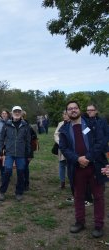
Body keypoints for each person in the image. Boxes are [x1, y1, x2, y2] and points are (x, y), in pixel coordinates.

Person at [59, 101, 107, 238]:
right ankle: (80, 222)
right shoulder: (64, 129)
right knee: (78, 196)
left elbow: (101, 141)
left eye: (75, 108)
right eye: (70, 109)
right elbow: (63, 148)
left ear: (79, 110)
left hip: (95, 166)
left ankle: (98, 225)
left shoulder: (92, 124)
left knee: (98, 196)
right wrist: (77, 159)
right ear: (67, 112)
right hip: (76, 167)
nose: (73, 110)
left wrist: (88, 157)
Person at [0, 106, 31, 201]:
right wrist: (0, 150)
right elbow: (2, 139)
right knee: (7, 172)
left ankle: (19, 192)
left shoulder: (25, 125)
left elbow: (28, 141)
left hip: (21, 154)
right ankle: (2, 192)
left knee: (21, 173)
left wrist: (29, 154)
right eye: (15, 111)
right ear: (12, 113)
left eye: (18, 111)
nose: (17, 113)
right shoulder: (7, 125)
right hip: (9, 153)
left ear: (21, 113)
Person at [54, 111, 71, 190]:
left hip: (71, 148)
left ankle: (72, 181)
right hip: (62, 147)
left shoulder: (73, 123)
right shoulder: (61, 124)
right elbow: (56, 134)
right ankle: (62, 182)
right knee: (61, 164)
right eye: (63, 114)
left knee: (70, 165)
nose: (64, 116)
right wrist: (60, 143)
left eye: (66, 114)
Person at [22, 110, 37, 191]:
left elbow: (33, 140)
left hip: (27, 151)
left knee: (25, 167)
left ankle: (26, 184)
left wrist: (30, 154)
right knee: (21, 168)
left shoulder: (28, 127)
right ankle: (22, 183)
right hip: (19, 151)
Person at [0, 109, 10, 179]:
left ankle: (8, 175)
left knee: (8, 160)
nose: (4, 115)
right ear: (1, 115)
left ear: (7, 114)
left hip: (9, 145)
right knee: (1, 161)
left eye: (5, 113)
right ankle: (3, 176)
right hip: (0, 145)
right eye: (2, 113)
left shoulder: (11, 122)